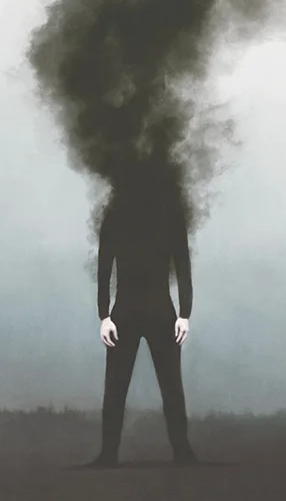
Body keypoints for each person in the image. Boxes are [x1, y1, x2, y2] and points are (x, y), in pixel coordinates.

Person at [88, 181, 198, 468]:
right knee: (116, 386)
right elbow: (104, 267)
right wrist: (104, 316)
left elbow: (183, 266)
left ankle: (182, 452)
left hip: (159, 311)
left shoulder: (170, 216)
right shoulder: (116, 216)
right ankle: (108, 454)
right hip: (127, 312)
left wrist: (185, 314)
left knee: (171, 385)